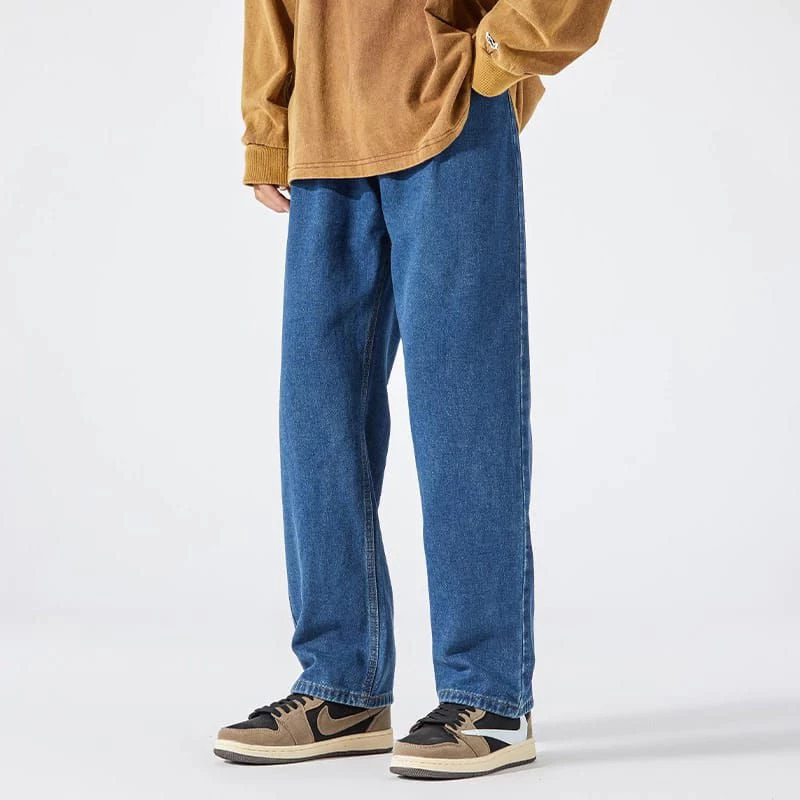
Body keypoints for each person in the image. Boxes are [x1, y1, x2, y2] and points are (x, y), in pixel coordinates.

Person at [215, 0, 612, 780]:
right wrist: (269, 119)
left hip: (450, 120)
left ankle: (489, 698)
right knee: (317, 421)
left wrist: (494, 53)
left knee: (463, 416)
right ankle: (342, 687)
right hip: (324, 126)